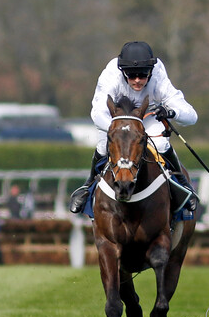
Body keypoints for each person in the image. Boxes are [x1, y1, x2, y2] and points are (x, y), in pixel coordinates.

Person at [69, 41, 198, 214]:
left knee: (160, 145)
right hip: (116, 122)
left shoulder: (158, 75)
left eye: (143, 75)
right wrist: (121, 132)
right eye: (131, 75)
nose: (137, 80)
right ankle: (89, 184)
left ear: (151, 71)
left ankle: (182, 184)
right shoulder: (110, 75)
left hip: (145, 120)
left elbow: (191, 116)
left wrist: (170, 112)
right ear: (122, 71)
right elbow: (97, 113)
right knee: (102, 146)